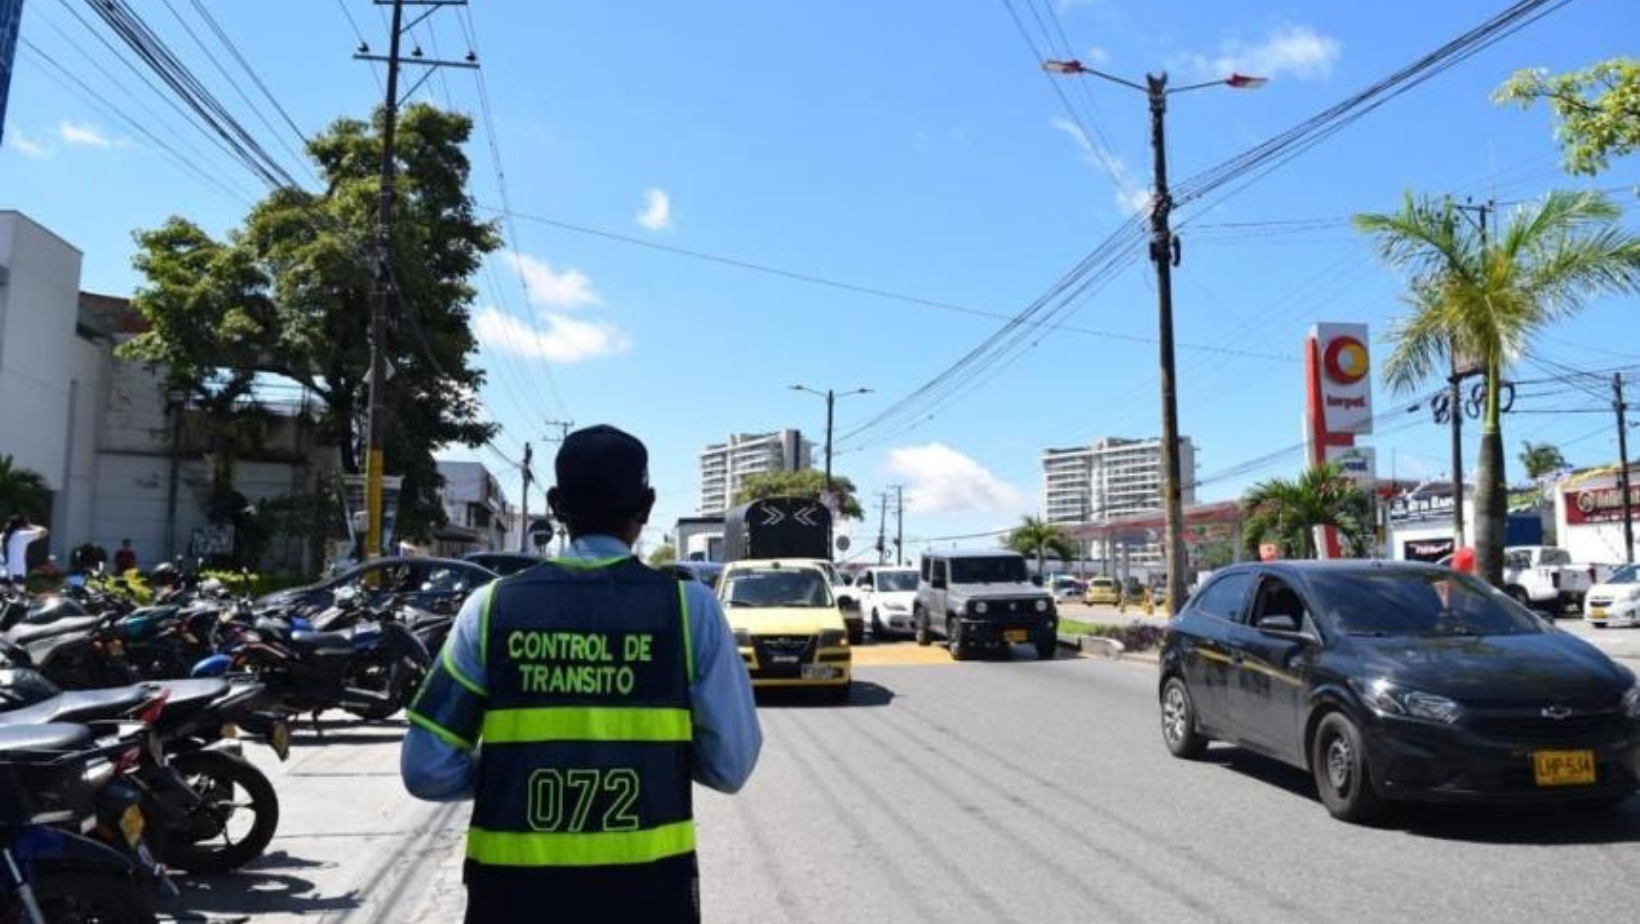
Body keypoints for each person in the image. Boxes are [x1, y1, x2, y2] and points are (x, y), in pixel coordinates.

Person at [400, 425, 762, 924]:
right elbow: (731, 765)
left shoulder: (491, 608)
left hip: (511, 899)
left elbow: (426, 770)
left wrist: (513, 770)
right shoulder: (688, 610)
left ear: (555, 503)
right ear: (648, 506)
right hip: (651, 897)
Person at [2, 516, 48, 586]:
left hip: (3, 572)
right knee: (17, 596)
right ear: (22, 526)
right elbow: (44, 531)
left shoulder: (2, 536)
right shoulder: (22, 535)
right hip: (16, 573)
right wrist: (29, 525)